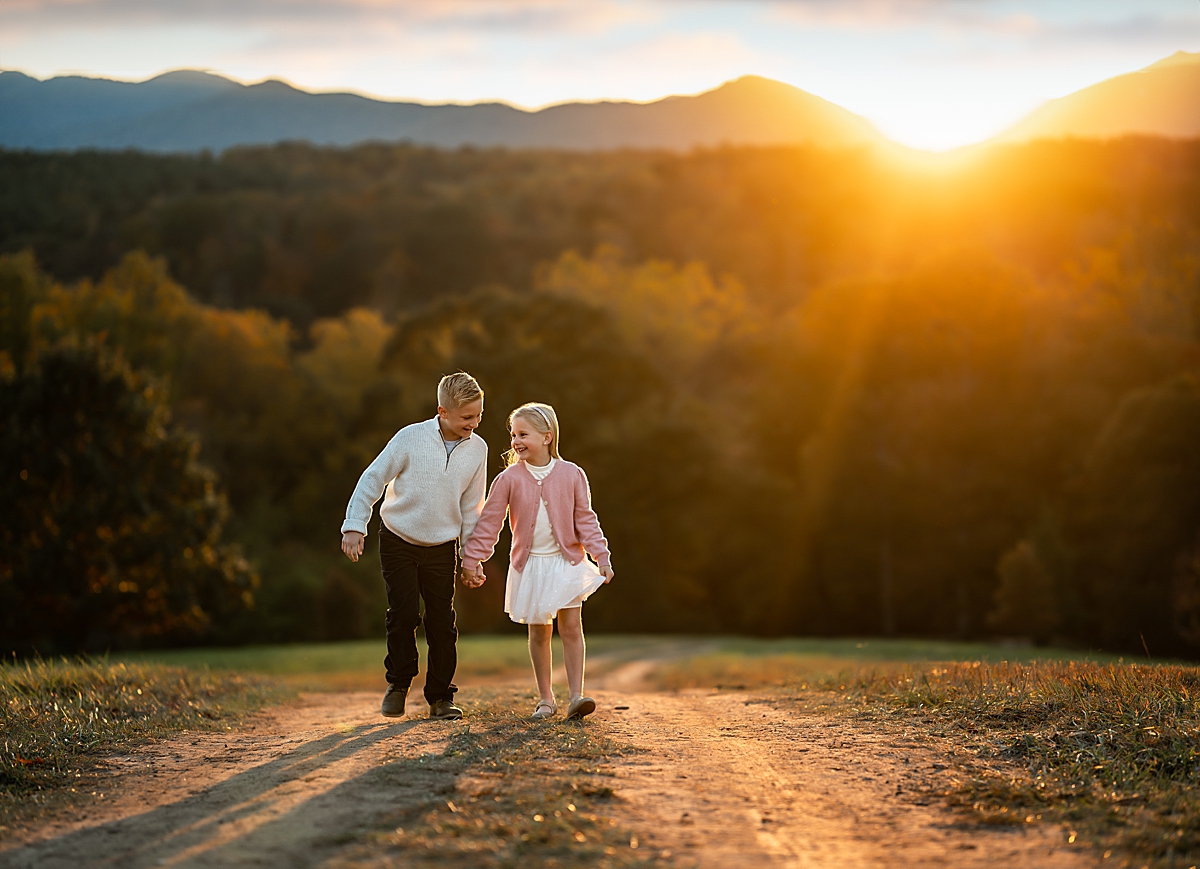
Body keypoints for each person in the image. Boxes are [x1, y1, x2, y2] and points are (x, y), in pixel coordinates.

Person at [340, 372, 488, 720]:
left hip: (441, 546)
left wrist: (471, 557)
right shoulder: (410, 437)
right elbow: (373, 478)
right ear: (442, 411)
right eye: (467, 417)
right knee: (404, 614)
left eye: (479, 415)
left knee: (442, 622)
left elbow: (471, 507)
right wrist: (354, 525)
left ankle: (440, 697)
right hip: (398, 538)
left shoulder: (477, 450)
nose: (474, 423)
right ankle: (398, 684)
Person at [461, 402, 614, 720]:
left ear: (547, 437)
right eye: (513, 434)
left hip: (566, 562)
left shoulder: (571, 474)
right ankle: (546, 700)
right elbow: (490, 523)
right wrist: (473, 558)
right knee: (539, 633)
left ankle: (576, 696)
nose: (516, 441)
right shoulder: (508, 479)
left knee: (571, 627)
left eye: (523, 434)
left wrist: (601, 555)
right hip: (530, 566)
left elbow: (585, 519)